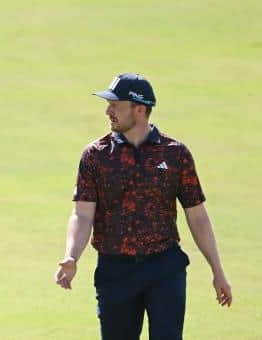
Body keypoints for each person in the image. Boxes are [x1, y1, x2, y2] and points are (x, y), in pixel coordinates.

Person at [54, 73, 232, 339]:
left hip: (165, 267)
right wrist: (72, 256)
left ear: (139, 109)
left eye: (116, 105)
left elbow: (197, 216)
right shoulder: (96, 155)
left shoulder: (175, 153)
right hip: (115, 271)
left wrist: (217, 271)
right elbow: (82, 213)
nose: (108, 111)